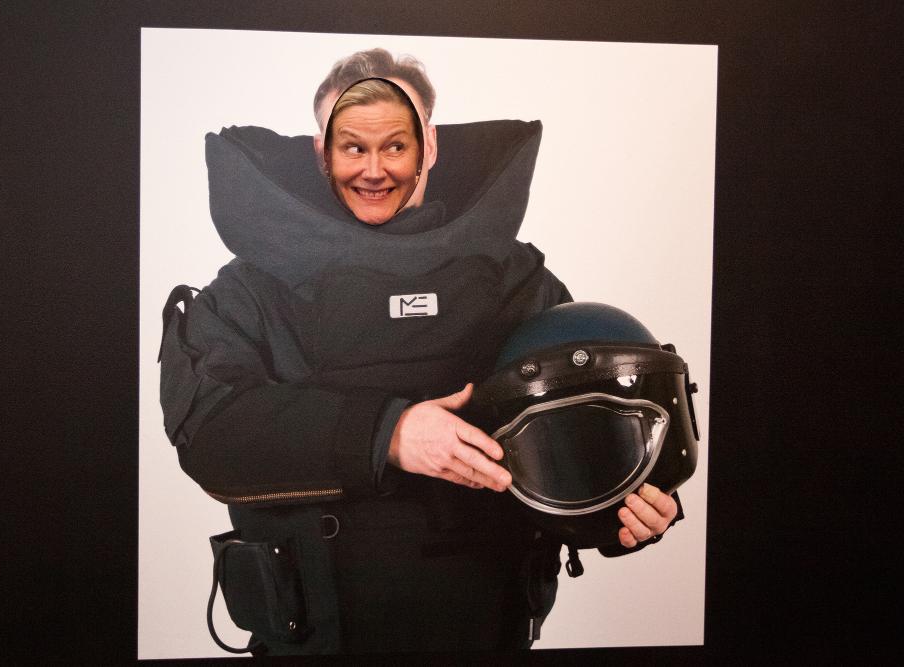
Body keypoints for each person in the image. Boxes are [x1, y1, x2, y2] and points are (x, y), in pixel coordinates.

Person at [159, 48, 679, 656]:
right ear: (321, 152)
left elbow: (577, 442)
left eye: (396, 145)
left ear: (430, 145)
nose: (373, 170)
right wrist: (389, 434)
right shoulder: (250, 290)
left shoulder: (518, 283)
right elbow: (211, 432)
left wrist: (623, 516)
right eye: (351, 145)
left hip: (489, 631)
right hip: (316, 640)